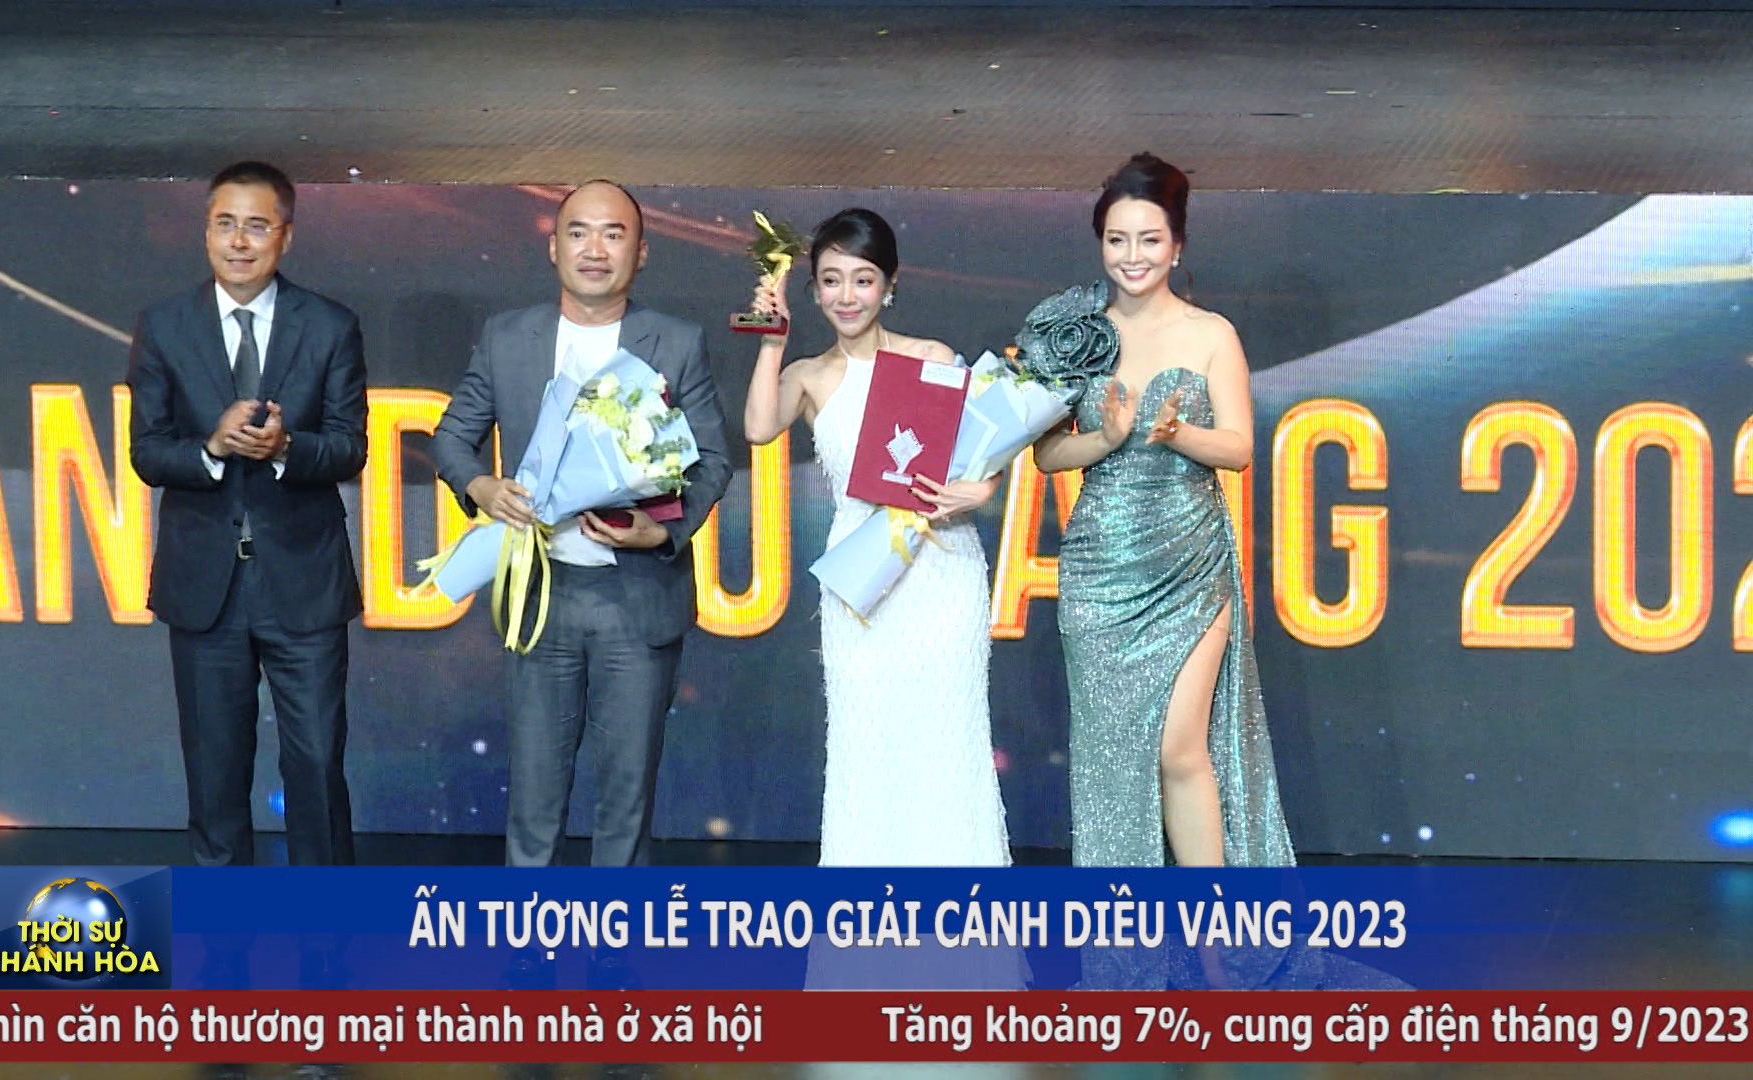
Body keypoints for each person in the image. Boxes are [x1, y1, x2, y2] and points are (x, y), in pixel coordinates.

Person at [433, 180, 731, 871]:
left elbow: (714, 459)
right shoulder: (509, 337)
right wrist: (481, 485)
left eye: (613, 234)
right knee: (534, 800)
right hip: (540, 596)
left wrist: (662, 532)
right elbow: (451, 438)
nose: (595, 249)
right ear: (554, 247)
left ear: (641, 252)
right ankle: (530, 936)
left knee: (626, 801)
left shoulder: (676, 342)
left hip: (638, 598)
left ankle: (614, 935)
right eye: (578, 232)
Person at [1032, 153, 1295, 870]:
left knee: (1181, 746)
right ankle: (1129, 923)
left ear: (1176, 246)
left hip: (1189, 563)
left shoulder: (1211, 334)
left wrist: (1178, 434)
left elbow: (1238, 448)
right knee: (1114, 758)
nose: (1132, 256)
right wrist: (1106, 437)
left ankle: (1214, 924)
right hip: (1099, 570)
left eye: (1149, 239)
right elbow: (1046, 454)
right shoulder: (1075, 335)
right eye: (1117, 239)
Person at [742, 207, 1010, 867]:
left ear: (889, 285)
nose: (847, 296)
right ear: (813, 290)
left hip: (940, 571)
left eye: (862, 280)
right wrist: (772, 340)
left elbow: (984, 455)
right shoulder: (808, 376)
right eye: (831, 280)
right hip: (861, 579)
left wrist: (980, 492)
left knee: (945, 736)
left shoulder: (931, 358)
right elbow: (757, 428)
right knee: (867, 741)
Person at [127, 160, 367, 869]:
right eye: (224, 224)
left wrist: (288, 447)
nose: (239, 241)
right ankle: (226, 922)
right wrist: (211, 447)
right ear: (206, 232)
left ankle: (326, 922)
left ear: (285, 236)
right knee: (214, 774)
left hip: (304, 583)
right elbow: (147, 451)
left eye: (256, 226)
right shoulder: (164, 325)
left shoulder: (330, 326)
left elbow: (350, 446)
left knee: (316, 766)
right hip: (205, 588)